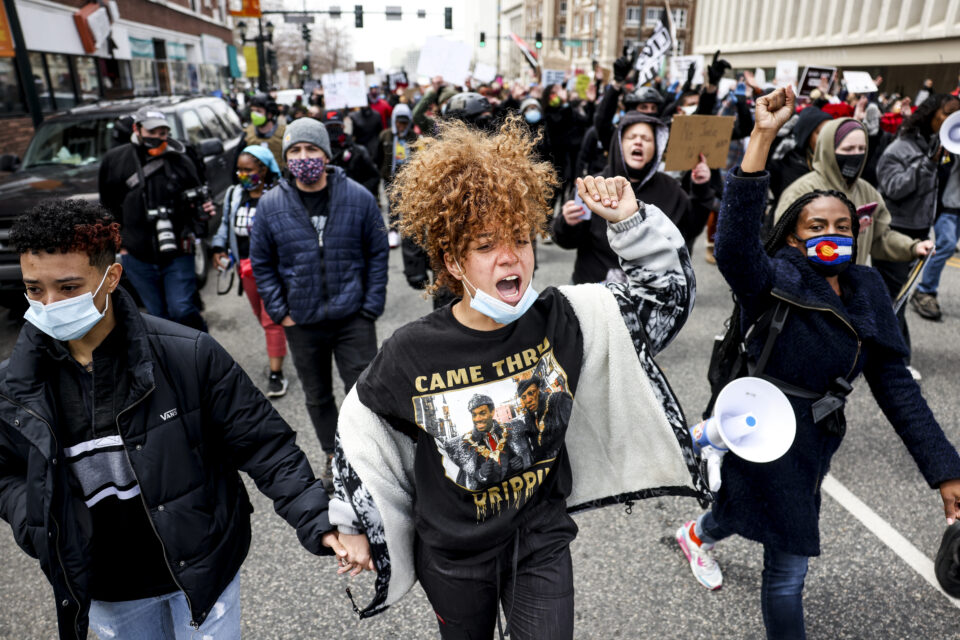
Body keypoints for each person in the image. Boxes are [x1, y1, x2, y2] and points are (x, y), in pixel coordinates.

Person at [324, 115, 708, 638]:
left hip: (540, 539)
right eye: (485, 246)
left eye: (520, 240)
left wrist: (630, 222)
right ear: (454, 263)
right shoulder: (412, 350)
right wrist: (354, 521)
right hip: (454, 556)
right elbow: (360, 437)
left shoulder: (569, 317)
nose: (511, 258)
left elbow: (664, 300)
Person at [676, 86, 960, 640]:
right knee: (788, 567)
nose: (831, 235)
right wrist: (759, 137)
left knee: (738, 510)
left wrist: (945, 470)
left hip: (816, 438)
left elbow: (897, 387)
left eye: (841, 226)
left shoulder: (867, 289)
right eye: (815, 227)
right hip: (759, 429)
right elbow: (735, 247)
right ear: (791, 236)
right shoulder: (774, 280)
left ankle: (697, 533)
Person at [1, 199, 342, 639]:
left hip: (203, 570)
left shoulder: (188, 354)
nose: (48, 305)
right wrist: (34, 517)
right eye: (33, 289)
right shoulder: (15, 386)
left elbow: (264, 445)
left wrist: (320, 520)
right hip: (106, 589)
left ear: (112, 277)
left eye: (68, 288)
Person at [250, 117, 389, 490]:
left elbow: (377, 252)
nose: (303, 157)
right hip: (303, 321)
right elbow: (262, 263)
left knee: (364, 391)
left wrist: (370, 305)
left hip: (353, 318)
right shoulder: (271, 205)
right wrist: (281, 312)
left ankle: (370, 457)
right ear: (286, 157)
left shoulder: (358, 197)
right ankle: (333, 456)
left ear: (326, 154)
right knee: (317, 396)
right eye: (295, 150)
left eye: (311, 149)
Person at [552, 112, 713, 283]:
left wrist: (701, 187)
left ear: (656, 147)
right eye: (632, 137)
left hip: (649, 295)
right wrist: (567, 222)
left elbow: (692, 227)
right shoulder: (594, 185)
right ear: (619, 144)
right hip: (592, 290)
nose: (638, 141)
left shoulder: (671, 188)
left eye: (646, 139)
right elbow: (566, 241)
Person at [98, 106, 213, 332]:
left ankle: (202, 348)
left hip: (179, 250)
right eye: (152, 132)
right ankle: (170, 360)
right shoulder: (116, 160)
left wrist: (201, 216)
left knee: (182, 309)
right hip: (137, 254)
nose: (158, 138)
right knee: (158, 316)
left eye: (163, 133)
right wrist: (121, 245)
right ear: (137, 129)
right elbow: (108, 206)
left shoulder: (180, 157)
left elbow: (199, 195)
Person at [775, 117, 932, 270]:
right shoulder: (802, 191)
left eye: (861, 149)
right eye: (848, 149)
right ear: (829, 150)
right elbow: (785, 244)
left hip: (848, 289)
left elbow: (879, 238)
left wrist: (913, 247)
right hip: (808, 288)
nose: (856, 155)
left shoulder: (867, 192)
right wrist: (844, 233)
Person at [877, 94, 960, 330]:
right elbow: (893, 188)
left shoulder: (941, 147)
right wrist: (927, 163)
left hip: (921, 230)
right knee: (893, 300)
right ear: (929, 116)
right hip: (896, 230)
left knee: (900, 297)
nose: (952, 119)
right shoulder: (900, 148)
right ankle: (896, 360)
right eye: (947, 113)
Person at [212, 145, 288, 398]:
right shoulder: (235, 194)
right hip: (244, 267)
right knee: (261, 316)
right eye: (239, 170)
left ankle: (276, 374)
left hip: (272, 268)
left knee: (270, 320)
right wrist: (219, 247)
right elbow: (225, 224)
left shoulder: (279, 194)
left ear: (263, 170)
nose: (242, 175)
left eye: (249, 170)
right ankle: (280, 343)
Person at [912, 149, 960, 320]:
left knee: (946, 246)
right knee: (946, 245)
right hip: (946, 209)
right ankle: (925, 290)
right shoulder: (947, 151)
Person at [376, 103, 418, 248]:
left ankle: (409, 232)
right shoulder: (385, 135)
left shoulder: (414, 137)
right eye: (399, 122)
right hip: (390, 176)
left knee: (408, 204)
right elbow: (378, 156)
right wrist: (382, 173)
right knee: (393, 205)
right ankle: (393, 231)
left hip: (408, 177)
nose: (401, 125)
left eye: (404, 122)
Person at [243, 94, 286, 169]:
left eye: (259, 111)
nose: (254, 114)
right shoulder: (247, 133)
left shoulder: (284, 133)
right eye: (252, 111)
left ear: (269, 114)